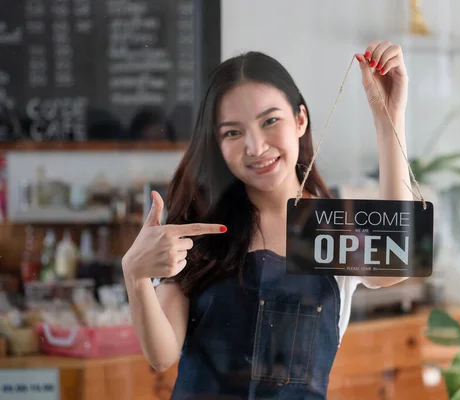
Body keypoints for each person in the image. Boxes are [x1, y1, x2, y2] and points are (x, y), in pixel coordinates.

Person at [122, 39, 412, 400]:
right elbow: (161, 355)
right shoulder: (203, 226)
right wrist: (135, 275)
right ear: (216, 143)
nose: (255, 147)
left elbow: (395, 264)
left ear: (300, 120)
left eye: (270, 121)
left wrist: (388, 119)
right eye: (233, 132)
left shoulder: (326, 225)